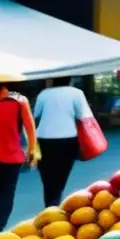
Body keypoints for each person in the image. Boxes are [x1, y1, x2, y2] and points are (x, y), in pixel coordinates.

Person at [33, 77, 87, 207]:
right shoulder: (76, 93)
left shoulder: (44, 94)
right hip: (68, 138)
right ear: (70, 80)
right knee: (61, 175)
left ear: (52, 80)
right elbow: (82, 115)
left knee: (47, 177)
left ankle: (51, 204)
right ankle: (54, 204)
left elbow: (35, 115)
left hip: (44, 138)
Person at [0, 83, 37, 231]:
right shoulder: (20, 101)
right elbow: (30, 127)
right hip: (11, 156)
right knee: (6, 192)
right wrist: (32, 151)